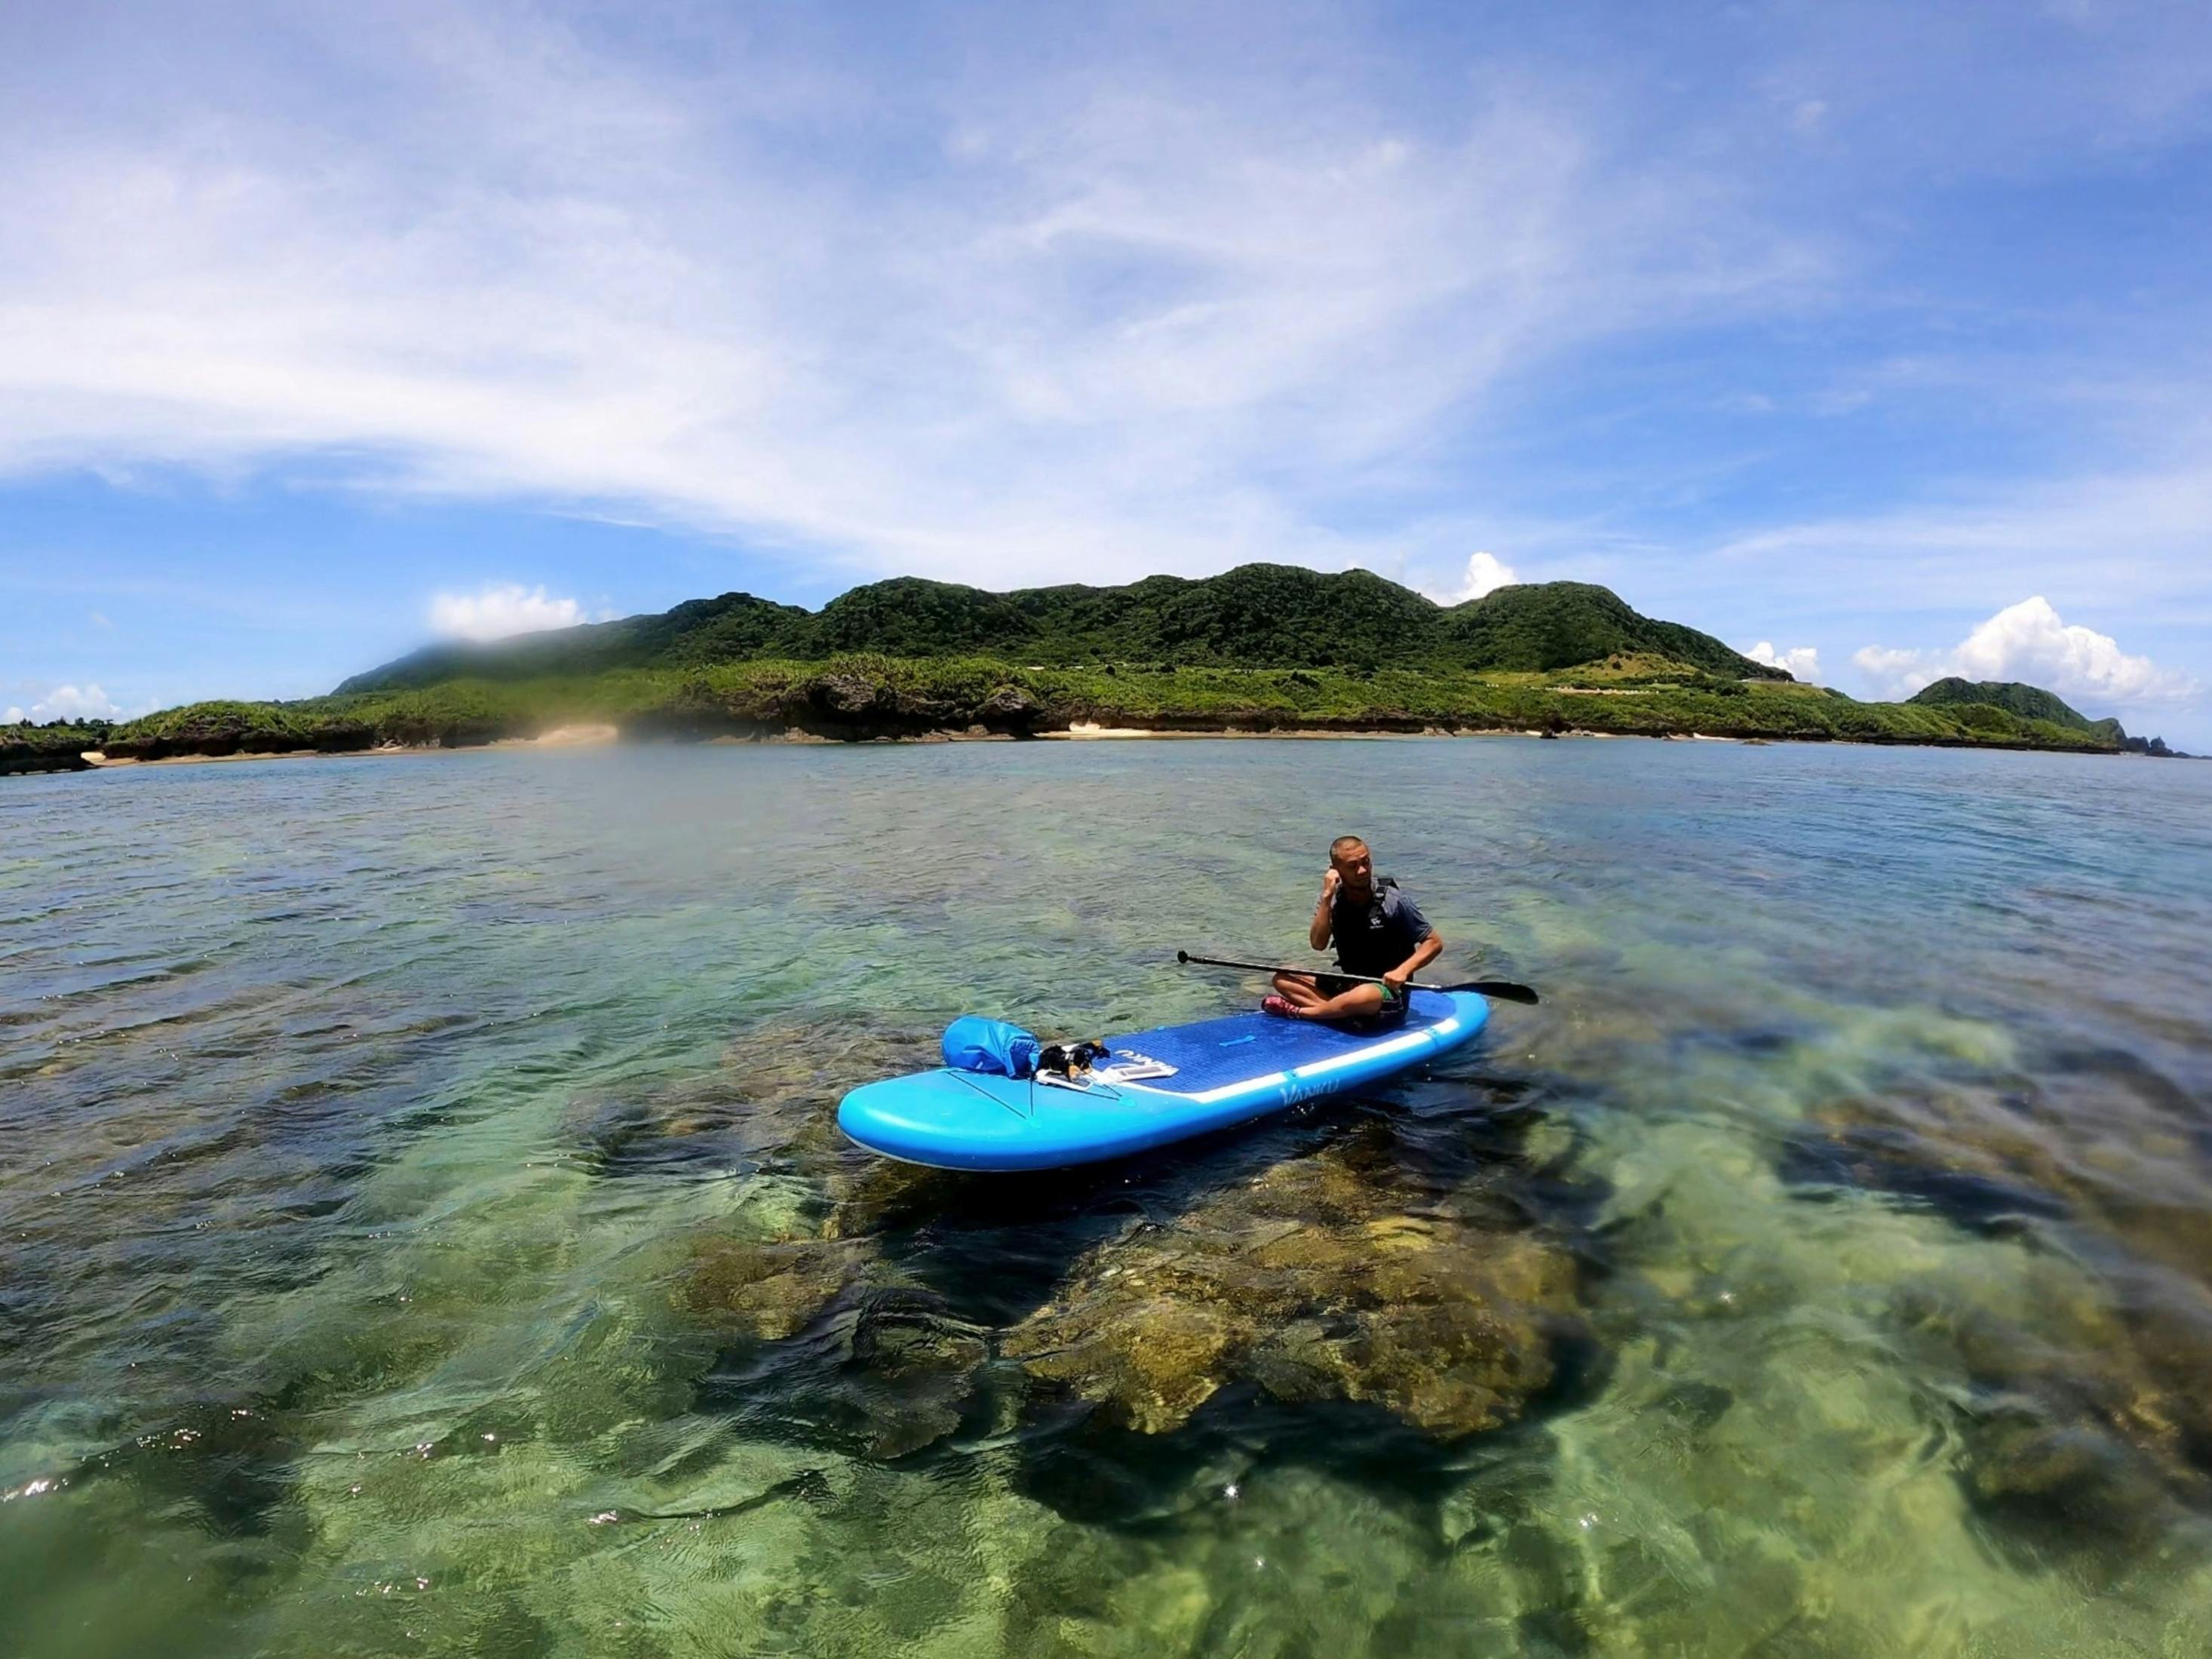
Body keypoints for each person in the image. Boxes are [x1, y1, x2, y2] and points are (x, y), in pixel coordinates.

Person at [1264, 836, 1441, 1022]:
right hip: (1351, 983)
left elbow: (1434, 943)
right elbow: (1318, 944)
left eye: (1366, 862)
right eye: (1352, 866)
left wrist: (1402, 971)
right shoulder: (1332, 900)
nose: (1362, 871)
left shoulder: (1393, 901)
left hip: (1385, 992)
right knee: (1282, 977)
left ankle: (1302, 1013)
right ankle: (1339, 1013)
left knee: (1364, 994)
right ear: (1335, 871)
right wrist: (1326, 896)